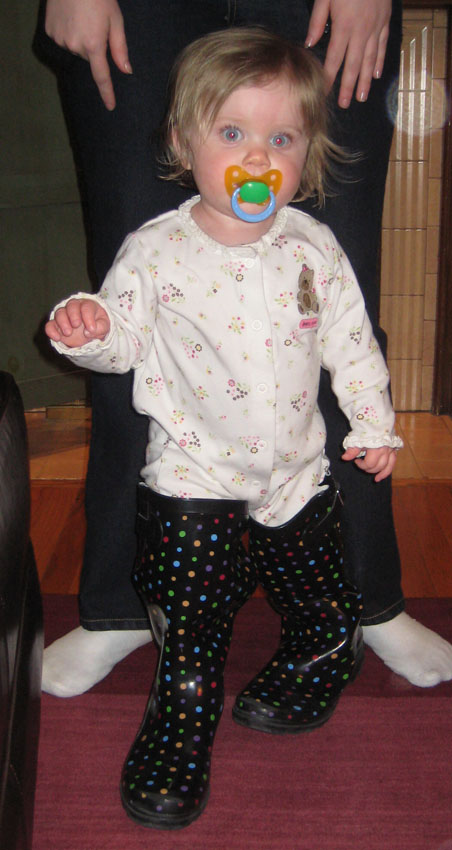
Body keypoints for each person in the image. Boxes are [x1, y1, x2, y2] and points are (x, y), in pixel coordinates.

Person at [35, 0, 452, 696]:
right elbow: (125, 329)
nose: (257, 158)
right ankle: (122, 608)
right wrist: (95, 330)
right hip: (137, 12)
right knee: (132, 290)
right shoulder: (154, 247)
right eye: (232, 135)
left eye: (281, 142)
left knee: (340, 304)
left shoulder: (312, 240)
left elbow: (349, 340)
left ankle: (367, 601)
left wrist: (375, 427)